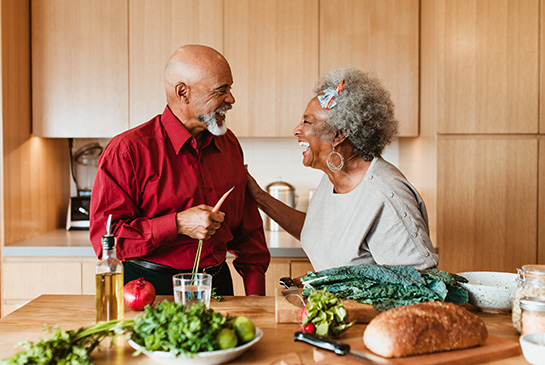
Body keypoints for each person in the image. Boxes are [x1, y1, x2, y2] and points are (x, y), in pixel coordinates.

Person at [90, 45, 270, 296]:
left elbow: (248, 233)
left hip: (218, 286)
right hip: (148, 290)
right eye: (221, 91)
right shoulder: (127, 151)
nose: (231, 99)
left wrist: (255, 297)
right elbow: (106, 241)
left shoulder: (229, 144)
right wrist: (177, 224)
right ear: (182, 92)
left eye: (230, 88)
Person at [247, 66, 438, 272]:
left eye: (307, 122)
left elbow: (421, 283)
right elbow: (316, 230)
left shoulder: (385, 196)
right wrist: (258, 196)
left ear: (339, 135)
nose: (297, 130)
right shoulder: (333, 178)